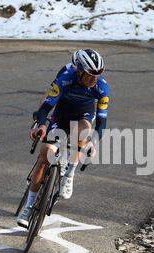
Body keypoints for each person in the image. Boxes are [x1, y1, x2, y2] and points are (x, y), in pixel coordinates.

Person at [17, 49, 110, 228]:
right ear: (80, 70)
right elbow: (46, 107)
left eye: (99, 74)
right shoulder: (66, 77)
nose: (94, 79)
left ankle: (69, 174)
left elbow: (102, 120)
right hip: (61, 115)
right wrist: (42, 124)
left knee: (83, 132)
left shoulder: (102, 88)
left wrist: (94, 142)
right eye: (91, 74)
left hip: (84, 114)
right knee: (45, 156)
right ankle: (28, 208)